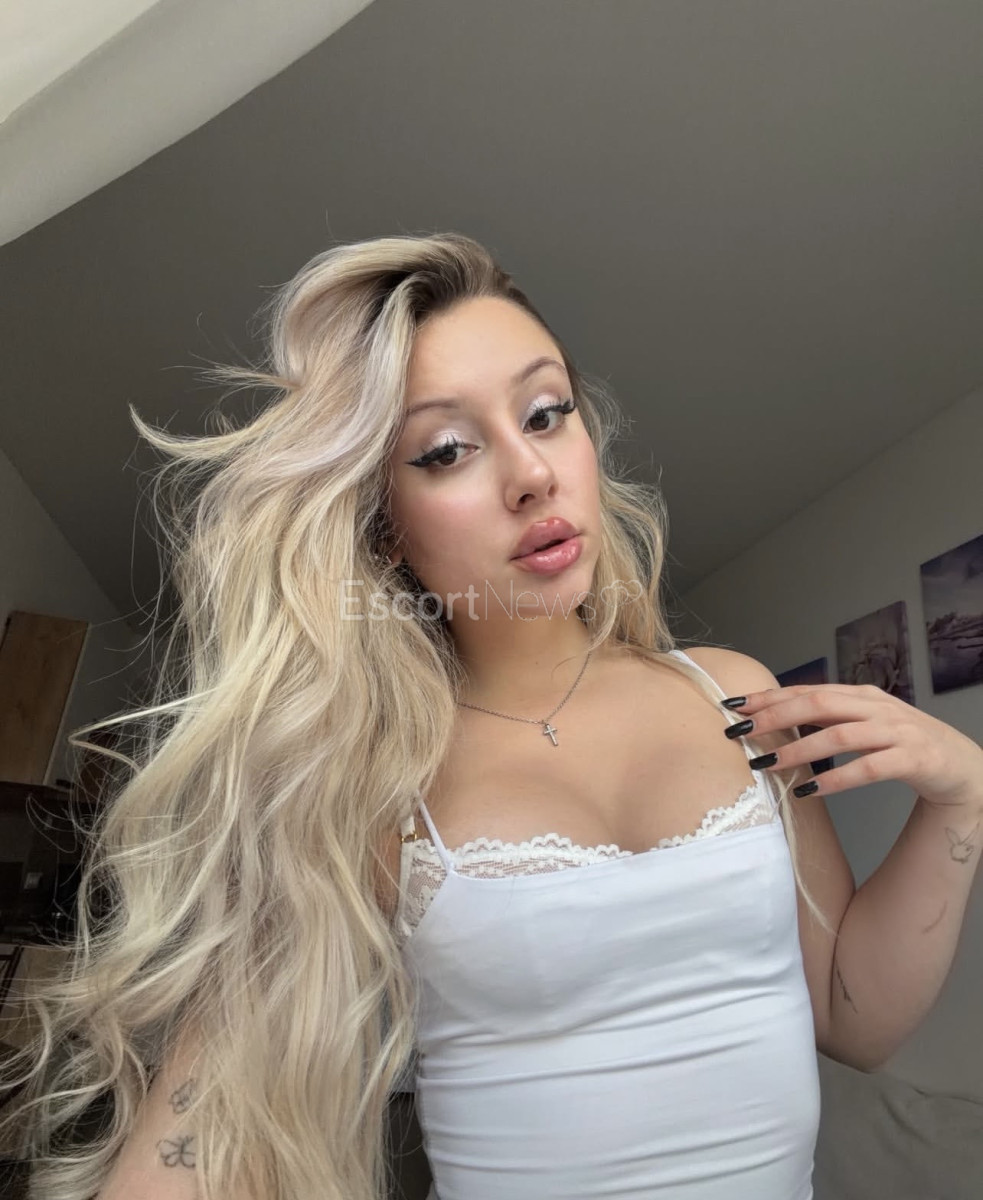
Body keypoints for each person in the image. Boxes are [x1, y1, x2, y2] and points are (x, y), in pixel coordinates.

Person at [3, 232, 980, 1200]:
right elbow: (215, 1105)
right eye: (445, 450)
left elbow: (851, 1017)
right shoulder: (369, 774)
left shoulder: (726, 692)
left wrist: (959, 799)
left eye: (545, 413)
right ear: (383, 526)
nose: (530, 473)